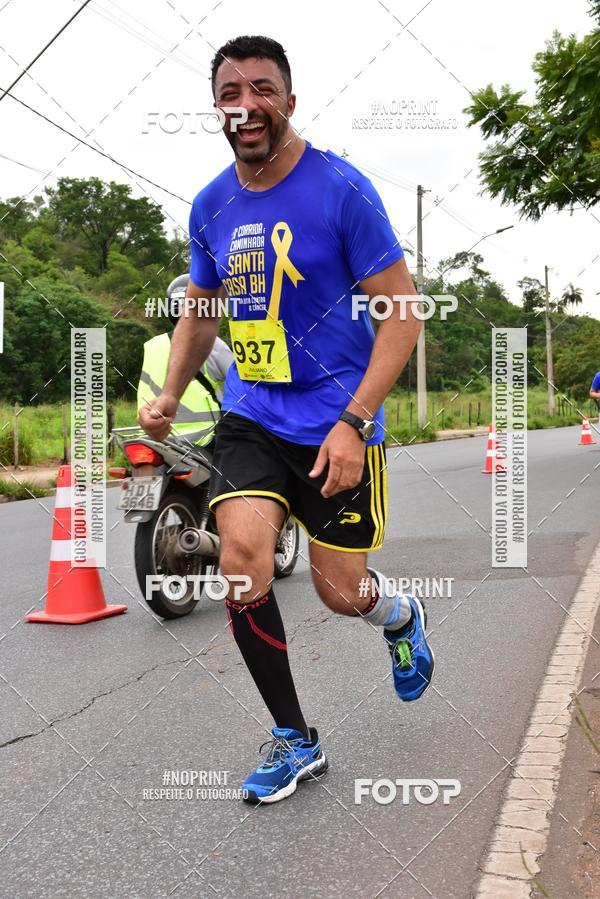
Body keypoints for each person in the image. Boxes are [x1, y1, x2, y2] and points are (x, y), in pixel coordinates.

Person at [139, 35, 434, 805]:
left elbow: (400, 317)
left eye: (262, 89)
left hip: (338, 421)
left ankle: (399, 614)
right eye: (231, 93)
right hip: (251, 413)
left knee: (342, 590)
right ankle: (296, 738)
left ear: (289, 102)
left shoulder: (341, 189)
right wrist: (171, 394)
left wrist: (356, 419)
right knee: (241, 563)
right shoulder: (211, 205)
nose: (247, 105)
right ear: (219, 110)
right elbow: (200, 316)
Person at [137, 274, 233, 448]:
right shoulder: (213, 344)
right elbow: (241, 381)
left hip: (156, 436)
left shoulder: (152, 345)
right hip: (205, 439)